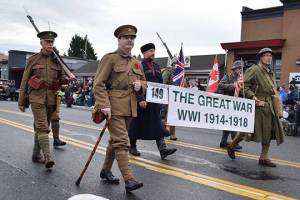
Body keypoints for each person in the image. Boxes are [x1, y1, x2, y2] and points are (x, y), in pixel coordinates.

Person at [93, 25, 144, 192]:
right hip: (113, 107)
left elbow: (145, 84)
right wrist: (104, 105)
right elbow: (98, 84)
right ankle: (129, 179)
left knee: (114, 141)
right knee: (122, 141)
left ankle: (106, 171)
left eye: (132, 38)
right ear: (119, 39)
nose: (130, 40)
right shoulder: (110, 59)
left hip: (130, 108)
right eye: (126, 37)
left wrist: (141, 86)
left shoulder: (136, 62)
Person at [227, 48, 284, 167]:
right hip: (257, 105)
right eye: (266, 55)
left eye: (270, 56)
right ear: (261, 57)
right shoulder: (254, 70)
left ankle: (264, 157)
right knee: (248, 130)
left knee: (269, 131)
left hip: (269, 106)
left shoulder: (270, 71)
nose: (269, 58)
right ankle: (232, 145)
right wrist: (253, 97)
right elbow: (244, 86)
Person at [18, 31, 66, 169]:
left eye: (52, 42)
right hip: (36, 98)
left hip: (51, 99)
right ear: (41, 43)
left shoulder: (57, 60)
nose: (50, 44)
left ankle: (35, 154)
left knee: (40, 128)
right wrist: (21, 101)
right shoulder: (33, 59)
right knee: (43, 128)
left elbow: (62, 80)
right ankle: (48, 157)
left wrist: (66, 75)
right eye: (47, 42)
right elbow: (24, 80)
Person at [128, 43, 177, 159]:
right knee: (136, 124)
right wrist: (141, 99)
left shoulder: (156, 66)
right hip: (142, 101)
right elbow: (136, 83)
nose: (153, 53)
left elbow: (161, 84)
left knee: (157, 124)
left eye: (153, 51)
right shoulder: (138, 66)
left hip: (154, 102)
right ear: (144, 53)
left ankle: (163, 149)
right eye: (150, 51)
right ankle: (132, 146)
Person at [218, 61, 243, 150]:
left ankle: (223, 142)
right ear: (234, 69)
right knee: (232, 123)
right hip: (228, 103)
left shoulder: (241, 78)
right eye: (239, 68)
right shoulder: (228, 77)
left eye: (241, 68)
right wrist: (233, 86)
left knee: (229, 123)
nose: (240, 70)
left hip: (237, 103)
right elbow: (220, 85)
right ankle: (234, 143)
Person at [162, 59, 177, 140]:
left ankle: (172, 134)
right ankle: (164, 131)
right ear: (172, 64)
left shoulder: (180, 74)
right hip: (167, 96)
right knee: (166, 115)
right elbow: (163, 83)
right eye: (175, 64)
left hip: (175, 97)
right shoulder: (168, 72)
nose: (177, 65)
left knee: (173, 115)